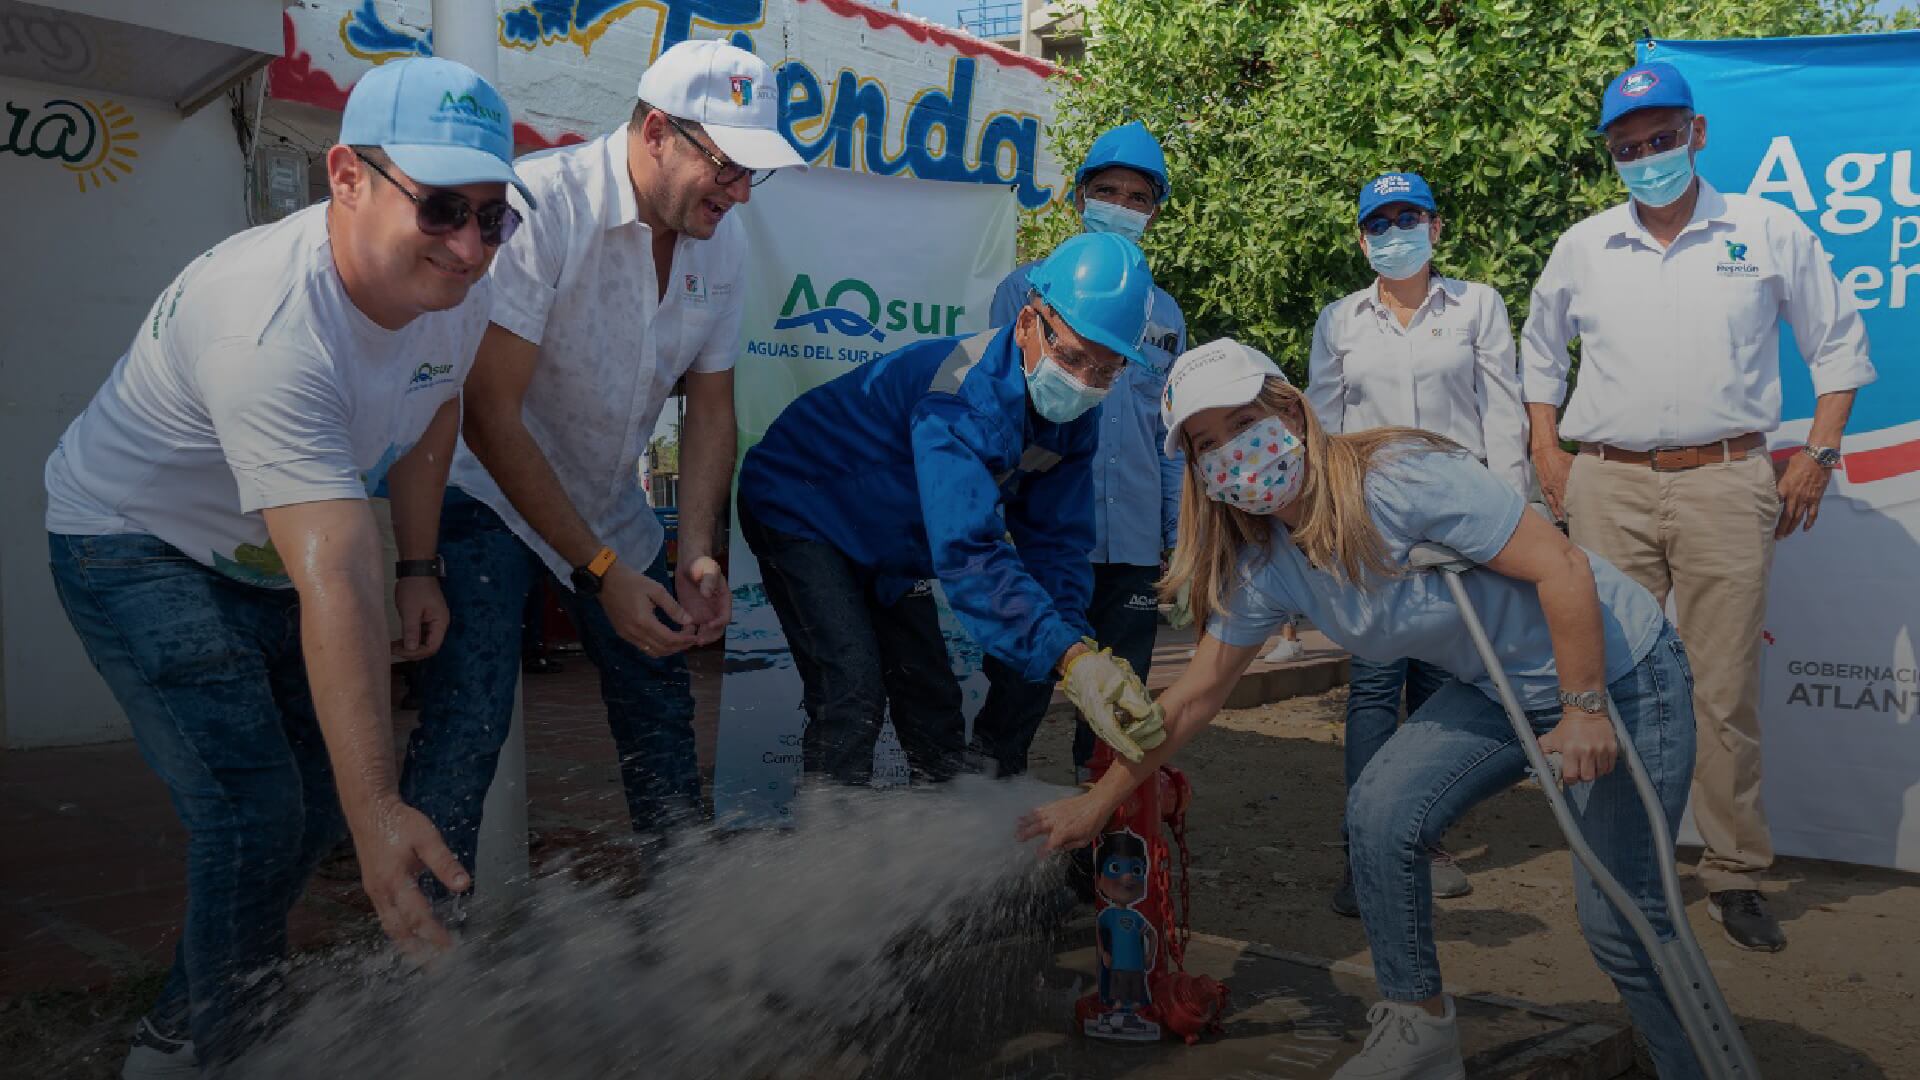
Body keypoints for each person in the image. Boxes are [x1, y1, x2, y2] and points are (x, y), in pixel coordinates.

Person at [1021, 339, 1704, 1079]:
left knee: (1620, 922)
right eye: (1205, 444)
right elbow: (1195, 697)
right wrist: (1099, 803)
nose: (1230, 454)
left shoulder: (1399, 479)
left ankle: (1695, 1066)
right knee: (1378, 813)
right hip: (1494, 688)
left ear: (1289, 411)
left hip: (1616, 672)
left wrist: (1584, 708)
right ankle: (1421, 1026)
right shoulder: (1264, 563)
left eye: (1241, 424)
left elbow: (1561, 566)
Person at [43, 58, 528, 1074]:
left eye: (494, 217)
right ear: (345, 176)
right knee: (258, 809)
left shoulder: (460, 288)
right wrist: (380, 811)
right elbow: (336, 576)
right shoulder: (267, 318)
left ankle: (183, 1020)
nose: (471, 246)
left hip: (265, 555)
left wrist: (422, 564)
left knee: (304, 801)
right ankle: (223, 1049)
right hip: (137, 543)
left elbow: (436, 401)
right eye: (442, 208)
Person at [403, 40, 804, 876]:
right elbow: (488, 414)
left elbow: (710, 410)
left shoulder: (720, 242)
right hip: (488, 497)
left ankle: (683, 921)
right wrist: (598, 569)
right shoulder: (541, 205)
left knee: (660, 708)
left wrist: (696, 551)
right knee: (468, 723)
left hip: (605, 500)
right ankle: (414, 968)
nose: (737, 193)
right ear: (658, 131)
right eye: (727, 167)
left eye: (751, 174)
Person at [1521, 61, 1873, 952]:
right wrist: (1544, 448)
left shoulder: (1765, 228)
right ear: (1611, 154)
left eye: (1662, 137)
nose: (1646, 156)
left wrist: (1819, 457)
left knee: (1721, 687)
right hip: (1606, 480)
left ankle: (1733, 873)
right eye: (1627, 146)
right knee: (1600, 683)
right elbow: (1536, 352)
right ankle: (1617, 864)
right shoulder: (1585, 244)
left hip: (1727, 479)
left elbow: (1838, 345)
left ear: (1698, 134)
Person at [735, 232, 1166, 787]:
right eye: (1073, 357)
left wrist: (1078, 648)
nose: (1084, 383)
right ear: (1028, 323)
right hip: (801, 503)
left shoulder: (1073, 420)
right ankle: (826, 855)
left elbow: (1056, 548)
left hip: (890, 535)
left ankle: (956, 835)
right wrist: (1069, 657)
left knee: (932, 699)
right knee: (852, 689)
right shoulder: (959, 397)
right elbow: (969, 552)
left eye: (1106, 371)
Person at [1306, 170, 1530, 915]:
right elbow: (1324, 426)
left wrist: (1515, 517)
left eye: (1409, 218)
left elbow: (1502, 416)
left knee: (1440, 685)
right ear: (1361, 236)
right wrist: (1327, 525)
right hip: (1374, 526)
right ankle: (1360, 849)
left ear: (1436, 228)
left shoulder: (1477, 307)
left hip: (1462, 521)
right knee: (1373, 686)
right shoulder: (1340, 321)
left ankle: (1423, 838)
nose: (1394, 233)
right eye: (1380, 223)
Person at [974, 121, 1186, 781]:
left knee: (1120, 713)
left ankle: (1103, 864)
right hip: (1041, 538)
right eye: (1107, 191)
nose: (1120, 206)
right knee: (1016, 696)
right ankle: (983, 847)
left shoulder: (1168, 314)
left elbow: (1170, 435)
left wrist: (1179, 540)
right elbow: (996, 409)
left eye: (1136, 197)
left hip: (1130, 548)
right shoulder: (1024, 289)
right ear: (1079, 198)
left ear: (1153, 212)